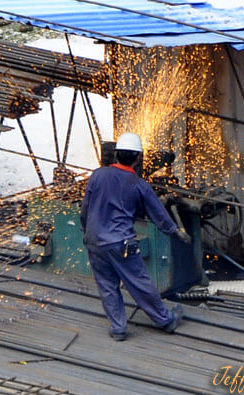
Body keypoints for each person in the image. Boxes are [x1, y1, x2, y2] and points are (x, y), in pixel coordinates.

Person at [80, 132, 191, 341]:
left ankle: (118, 328)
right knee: (139, 282)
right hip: (120, 243)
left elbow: (85, 207)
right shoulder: (138, 184)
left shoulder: (97, 175)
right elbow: (158, 213)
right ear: (138, 158)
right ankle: (165, 319)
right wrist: (175, 232)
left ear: (116, 154)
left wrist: (86, 230)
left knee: (107, 285)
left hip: (94, 241)